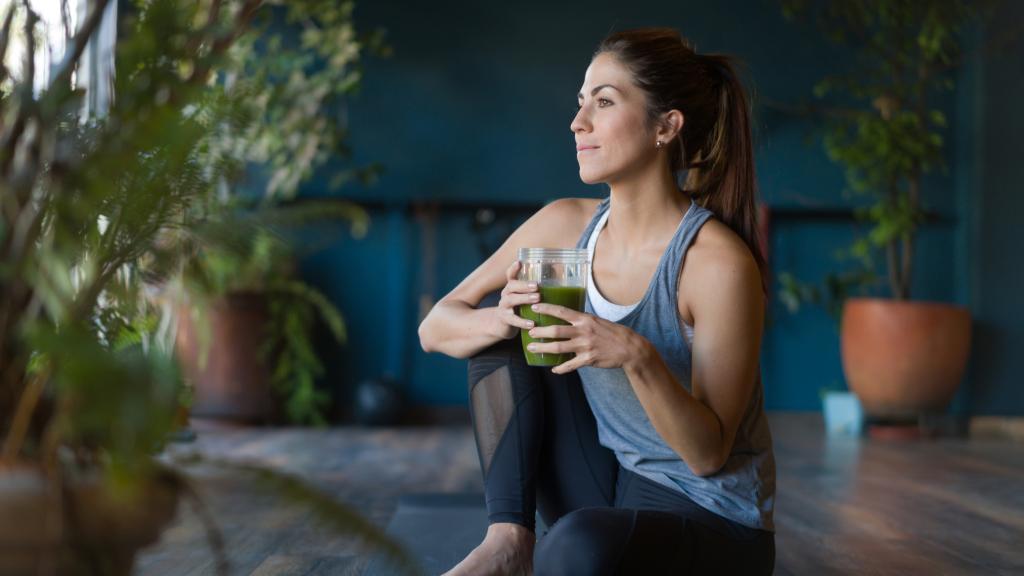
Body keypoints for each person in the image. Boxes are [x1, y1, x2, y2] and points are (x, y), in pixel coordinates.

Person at [418, 27, 775, 575]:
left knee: (577, 544)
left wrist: (636, 354)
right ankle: (508, 541)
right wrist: (501, 316)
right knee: (502, 338)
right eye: (581, 101)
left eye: (603, 102)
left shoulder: (714, 263)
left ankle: (559, 547)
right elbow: (435, 327)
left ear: (666, 125)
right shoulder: (565, 223)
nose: (577, 122)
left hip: (711, 517)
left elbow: (708, 456)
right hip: (615, 483)